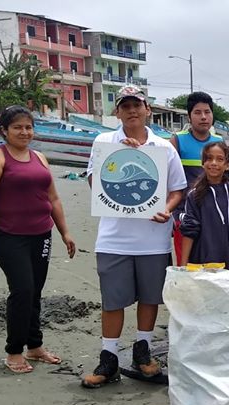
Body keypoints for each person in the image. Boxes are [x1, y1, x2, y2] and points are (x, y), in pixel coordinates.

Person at [81, 85, 187, 388]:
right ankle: (109, 357)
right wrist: (124, 155)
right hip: (113, 238)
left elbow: (177, 189)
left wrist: (167, 209)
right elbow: (95, 181)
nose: (132, 111)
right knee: (112, 300)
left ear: (147, 109)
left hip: (153, 238)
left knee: (150, 298)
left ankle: (143, 350)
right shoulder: (103, 142)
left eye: (137, 105)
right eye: (125, 106)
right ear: (117, 112)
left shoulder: (164, 148)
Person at [0, 105, 76, 374]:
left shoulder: (39, 157)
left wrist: (64, 232)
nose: (24, 132)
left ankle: (35, 346)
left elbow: (53, 198)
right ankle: (14, 351)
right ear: (4, 130)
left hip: (41, 234)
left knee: (35, 291)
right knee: (23, 290)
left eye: (28, 127)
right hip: (8, 234)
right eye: (17, 127)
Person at [180, 142, 229, 269]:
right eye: (209, 158)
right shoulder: (194, 195)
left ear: (227, 165)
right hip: (204, 266)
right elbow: (189, 231)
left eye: (220, 159)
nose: (214, 163)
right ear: (203, 163)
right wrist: (183, 266)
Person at [170, 91, 224, 266]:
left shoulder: (219, 141)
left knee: (212, 266)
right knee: (186, 265)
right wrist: (171, 214)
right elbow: (168, 179)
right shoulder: (177, 140)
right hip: (185, 215)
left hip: (213, 215)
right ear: (189, 116)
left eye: (207, 112)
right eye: (197, 112)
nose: (203, 117)